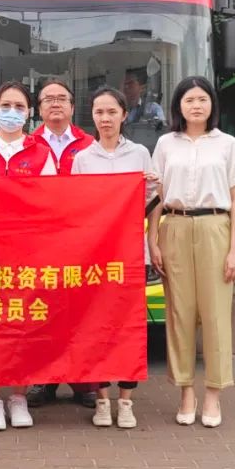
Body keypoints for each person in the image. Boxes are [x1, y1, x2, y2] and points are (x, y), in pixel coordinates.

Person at [150, 76, 235, 428]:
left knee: (215, 314)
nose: (196, 105)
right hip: (175, 227)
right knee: (179, 313)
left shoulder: (227, 144)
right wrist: (152, 240)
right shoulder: (165, 144)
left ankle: (213, 394)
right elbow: (156, 195)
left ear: (212, 105)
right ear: (178, 105)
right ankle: (185, 392)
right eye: (189, 100)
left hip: (215, 227)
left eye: (202, 99)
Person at [0, 81, 56, 430]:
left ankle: (18, 396)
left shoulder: (41, 154)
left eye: (19, 106)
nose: (12, 112)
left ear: (29, 113)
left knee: (22, 324)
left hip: (26, 253)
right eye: (6, 106)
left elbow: (51, 203)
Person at [71, 86, 158, 429]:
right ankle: (102, 400)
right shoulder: (83, 159)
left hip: (130, 254)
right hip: (96, 256)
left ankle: (126, 400)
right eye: (99, 112)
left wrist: (153, 184)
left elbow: (151, 199)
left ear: (124, 114)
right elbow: (75, 206)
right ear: (92, 116)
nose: (105, 118)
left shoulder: (139, 154)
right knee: (97, 327)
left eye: (111, 112)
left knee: (129, 327)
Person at [29, 78, 98, 408]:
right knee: (41, 311)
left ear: (72, 106)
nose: (55, 104)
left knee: (79, 311)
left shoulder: (90, 145)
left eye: (61, 98)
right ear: (38, 108)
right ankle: (43, 380)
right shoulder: (26, 145)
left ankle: (83, 381)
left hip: (80, 240)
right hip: (38, 242)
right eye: (48, 99)